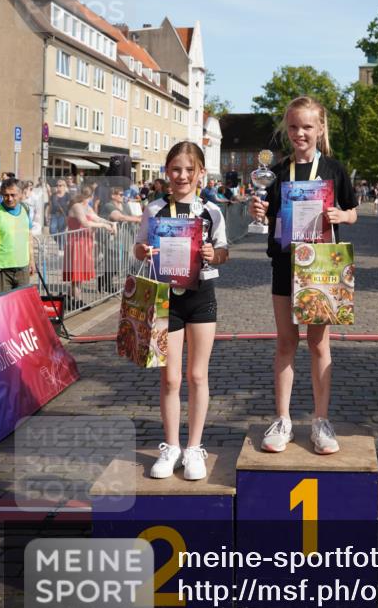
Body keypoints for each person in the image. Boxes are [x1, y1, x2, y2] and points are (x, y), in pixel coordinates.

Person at [248, 96, 358, 455]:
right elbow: (270, 219)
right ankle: (283, 420)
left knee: (318, 344)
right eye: (293, 127)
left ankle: (321, 421)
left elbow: (353, 211)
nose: (300, 133)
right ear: (286, 129)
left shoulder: (334, 170)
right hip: (285, 263)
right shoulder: (277, 173)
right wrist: (258, 211)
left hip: (323, 266)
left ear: (320, 129)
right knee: (285, 343)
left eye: (307, 127)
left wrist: (343, 217)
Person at [134, 141, 229, 481]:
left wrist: (211, 255)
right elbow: (138, 247)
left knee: (197, 375)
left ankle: (194, 448)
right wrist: (143, 250)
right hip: (165, 298)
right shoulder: (154, 209)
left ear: (201, 173)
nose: (182, 176)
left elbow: (223, 252)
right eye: (176, 169)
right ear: (166, 172)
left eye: (190, 170)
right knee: (170, 377)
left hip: (201, 296)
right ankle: (171, 445)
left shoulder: (211, 211)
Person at [63, 189, 115, 306]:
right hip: (76, 242)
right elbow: (85, 222)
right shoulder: (77, 206)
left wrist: (110, 223)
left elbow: (96, 218)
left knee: (79, 274)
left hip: (85, 242)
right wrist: (103, 225)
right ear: (90, 196)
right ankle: (78, 300)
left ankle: (72, 298)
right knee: (76, 274)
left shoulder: (87, 207)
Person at [0, 179, 35, 295]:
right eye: (6, 195)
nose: (10, 198)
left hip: (22, 269)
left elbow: (29, 235)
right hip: (1, 271)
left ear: (21, 194)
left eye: (13, 195)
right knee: (2, 310)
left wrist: (32, 260)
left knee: (21, 309)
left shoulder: (25, 209)